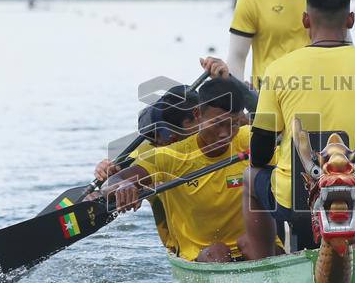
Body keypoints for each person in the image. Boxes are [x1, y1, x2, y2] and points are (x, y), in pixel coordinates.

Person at [242, 0, 355, 259]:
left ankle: (266, 263)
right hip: (354, 196)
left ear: (306, 21)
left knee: (251, 177)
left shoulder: (278, 70)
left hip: (294, 202)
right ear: (351, 20)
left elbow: (259, 152)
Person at [101, 76, 255, 263]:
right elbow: (113, 181)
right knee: (218, 251)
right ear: (198, 114)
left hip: (249, 244)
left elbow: (285, 129)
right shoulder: (166, 155)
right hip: (204, 253)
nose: (224, 134)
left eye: (233, 124)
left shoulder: (248, 139)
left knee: (255, 245)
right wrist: (122, 184)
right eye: (217, 124)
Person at [94, 84, 202, 252]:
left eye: (168, 134)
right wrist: (109, 173)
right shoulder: (152, 151)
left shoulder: (223, 136)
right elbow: (112, 181)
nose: (161, 141)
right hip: (185, 246)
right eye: (153, 137)